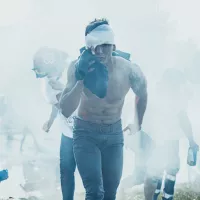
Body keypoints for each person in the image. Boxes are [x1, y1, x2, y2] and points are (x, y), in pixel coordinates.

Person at [59, 18, 148, 200]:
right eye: (95, 46)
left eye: (105, 45)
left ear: (113, 45)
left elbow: (143, 92)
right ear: (88, 46)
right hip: (85, 133)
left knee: (109, 193)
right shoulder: (76, 68)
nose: (99, 51)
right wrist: (81, 80)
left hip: (114, 135)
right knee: (95, 192)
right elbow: (66, 109)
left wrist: (137, 122)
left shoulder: (128, 69)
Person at [126, 68, 199, 200]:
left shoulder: (155, 90)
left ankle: (157, 196)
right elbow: (183, 119)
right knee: (160, 171)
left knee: (160, 171)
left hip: (158, 138)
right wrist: (191, 141)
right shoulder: (169, 94)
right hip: (159, 139)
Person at [33, 47, 76, 200]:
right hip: (68, 131)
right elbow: (57, 103)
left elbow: (85, 98)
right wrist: (51, 121)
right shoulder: (49, 83)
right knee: (65, 170)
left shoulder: (74, 70)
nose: (44, 77)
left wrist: (64, 89)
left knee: (90, 172)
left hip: (86, 129)